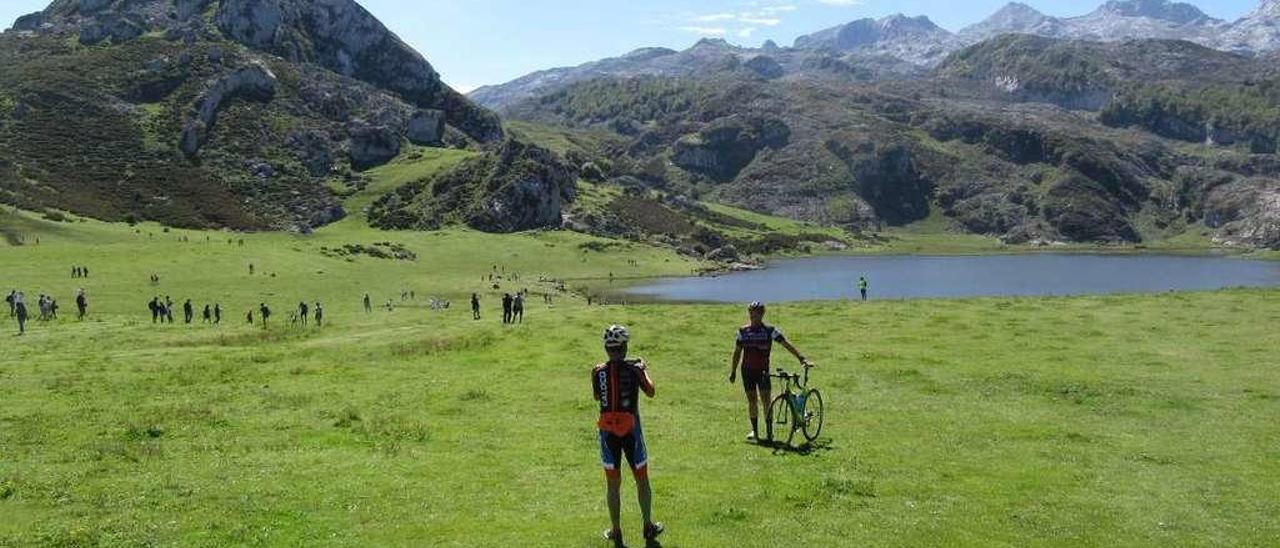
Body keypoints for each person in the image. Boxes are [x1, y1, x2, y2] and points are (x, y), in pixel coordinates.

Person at [592, 325, 663, 547]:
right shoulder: (635, 370)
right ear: (625, 347)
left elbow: (597, 396)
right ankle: (647, 526)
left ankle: (616, 530)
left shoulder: (597, 371)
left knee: (612, 484)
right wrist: (643, 368)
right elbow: (651, 391)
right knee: (642, 480)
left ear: (607, 348)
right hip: (631, 431)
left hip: (607, 433)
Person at [729, 302, 812, 443]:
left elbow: (786, 344)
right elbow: (737, 352)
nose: (752, 316)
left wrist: (801, 358)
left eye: (756, 313)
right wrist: (733, 371)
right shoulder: (742, 331)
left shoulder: (770, 331)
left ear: (762, 314)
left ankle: (769, 432)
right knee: (752, 401)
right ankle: (755, 432)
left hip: (763, 372)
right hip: (747, 371)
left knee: (766, 401)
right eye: (751, 313)